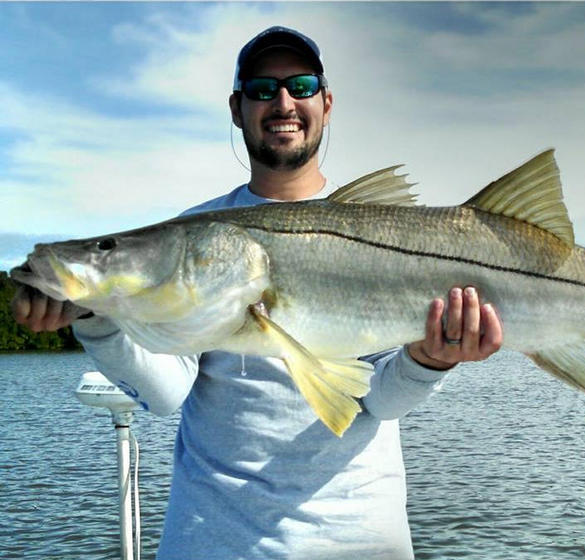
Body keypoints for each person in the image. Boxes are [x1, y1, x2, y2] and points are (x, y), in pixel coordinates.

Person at [12, 26, 502, 560]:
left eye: (302, 84)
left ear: (326, 103)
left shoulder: (382, 228)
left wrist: (430, 360)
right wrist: (96, 318)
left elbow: (378, 401)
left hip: (361, 539)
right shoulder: (195, 232)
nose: (284, 102)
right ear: (237, 107)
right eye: (263, 89)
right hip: (214, 540)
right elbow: (166, 394)